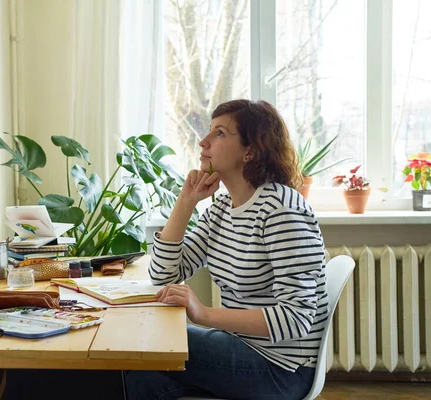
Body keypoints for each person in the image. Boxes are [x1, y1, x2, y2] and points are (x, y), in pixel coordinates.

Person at [125, 99, 327, 400]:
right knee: (140, 375)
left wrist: (204, 313)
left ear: (251, 151)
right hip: (240, 348)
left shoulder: (282, 211)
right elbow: (163, 273)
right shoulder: (223, 208)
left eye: (219, 133)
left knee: (146, 343)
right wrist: (186, 201)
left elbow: (295, 319)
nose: (203, 141)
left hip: (280, 369)